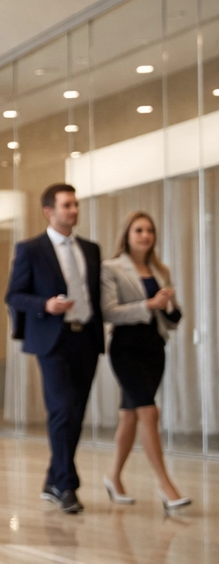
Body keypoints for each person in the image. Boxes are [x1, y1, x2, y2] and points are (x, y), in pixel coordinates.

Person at [6, 183, 104, 515]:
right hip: (53, 340)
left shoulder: (91, 249)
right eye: (67, 206)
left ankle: (53, 478)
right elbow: (14, 296)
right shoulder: (31, 249)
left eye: (75, 205)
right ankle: (66, 485)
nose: (73, 211)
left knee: (75, 413)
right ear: (49, 211)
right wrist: (45, 305)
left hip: (86, 338)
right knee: (61, 409)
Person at [100, 211, 190, 511]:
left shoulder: (159, 269)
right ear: (127, 234)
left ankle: (113, 477)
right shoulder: (111, 268)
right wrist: (147, 304)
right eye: (138, 230)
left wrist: (167, 305)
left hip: (154, 347)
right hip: (126, 348)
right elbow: (110, 312)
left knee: (131, 414)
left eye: (149, 230)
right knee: (149, 412)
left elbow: (173, 317)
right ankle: (167, 487)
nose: (145, 235)